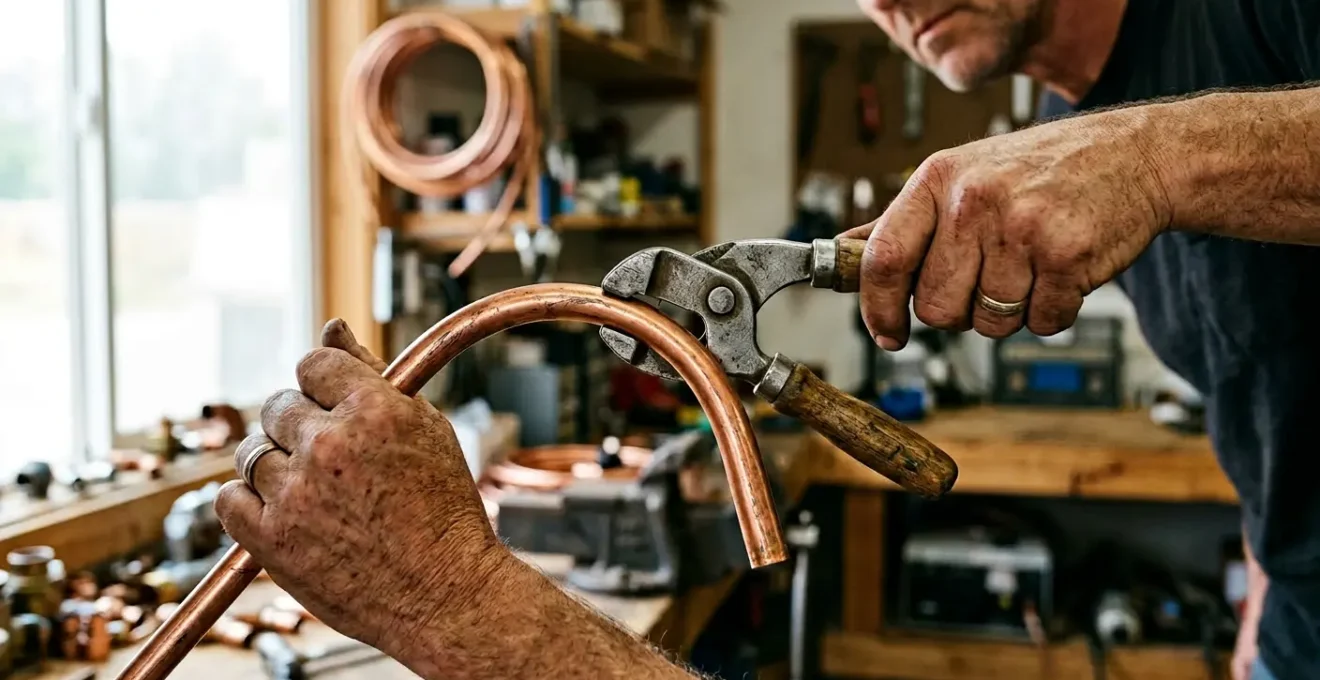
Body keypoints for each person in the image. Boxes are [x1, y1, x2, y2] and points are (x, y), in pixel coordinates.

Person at [213, 0, 1320, 678]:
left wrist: (1161, 158)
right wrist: (1274, 577)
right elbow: (1275, 381)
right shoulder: (1064, 137)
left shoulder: (1235, 38)